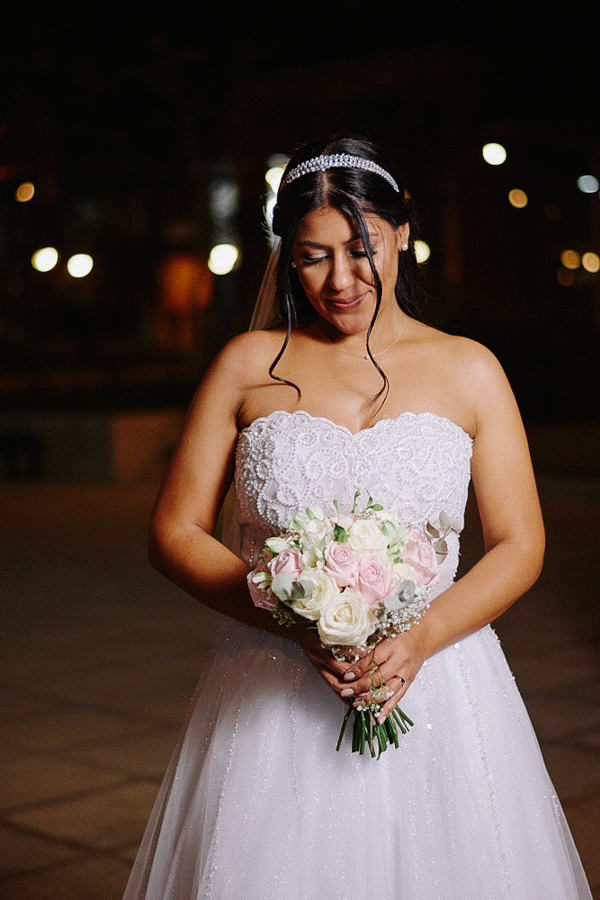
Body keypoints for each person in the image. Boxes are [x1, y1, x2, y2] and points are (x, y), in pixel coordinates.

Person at [123, 135, 592, 899]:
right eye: (313, 256)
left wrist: (424, 635)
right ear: (287, 255)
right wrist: (292, 619)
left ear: (403, 234)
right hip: (271, 681)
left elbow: (520, 542)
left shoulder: (470, 367)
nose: (340, 280)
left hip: (438, 682)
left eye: (362, 247)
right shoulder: (247, 364)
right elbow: (173, 531)